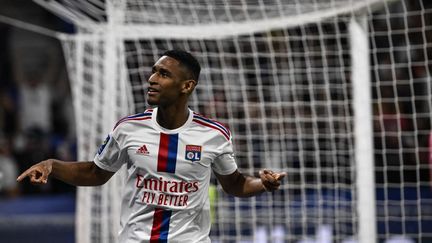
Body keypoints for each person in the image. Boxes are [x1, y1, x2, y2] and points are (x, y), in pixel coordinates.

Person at [17, 50, 286, 242]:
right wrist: (53, 165)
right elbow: (95, 173)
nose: (152, 79)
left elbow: (234, 184)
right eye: (154, 71)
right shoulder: (128, 128)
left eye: (164, 74)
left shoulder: (213, 134)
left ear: (187, 86)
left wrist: (263, 184)